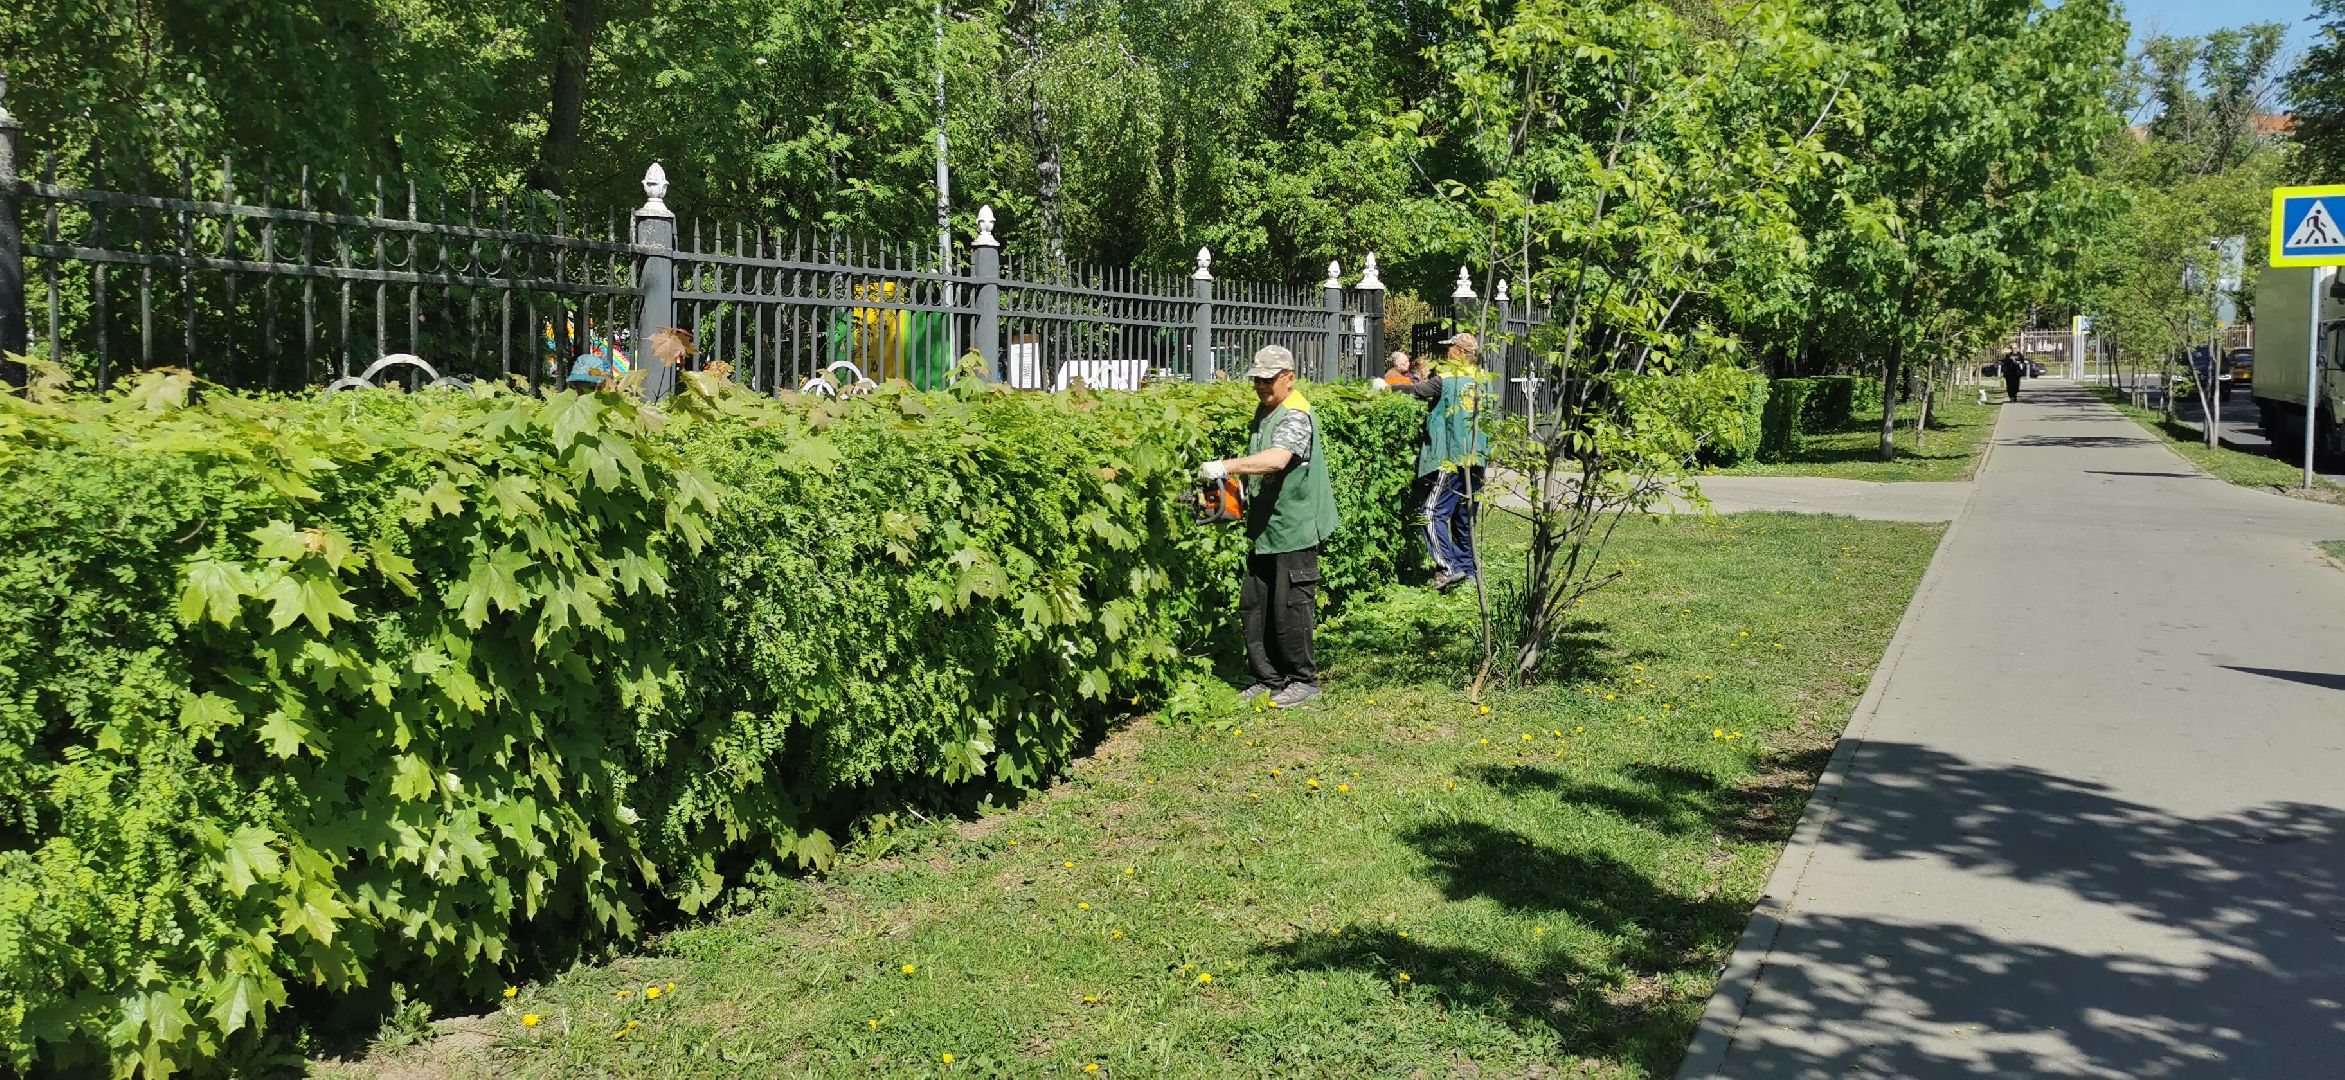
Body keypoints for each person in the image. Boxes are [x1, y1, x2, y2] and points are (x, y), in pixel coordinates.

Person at [1198, 345, 1340, 708]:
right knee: (1255, 604)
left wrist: (1226, 466)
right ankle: (1269, 678)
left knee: (1291, 605)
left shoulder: (1296, 414)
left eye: (1268, 379)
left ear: (1289, 378)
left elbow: (1277, 460)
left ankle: (1303, 680)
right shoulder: (1266, 410)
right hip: (1266, 526)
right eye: (1257, 379)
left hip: (1295, 526)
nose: (1261, 385)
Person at [1380, 332, 1493, 591]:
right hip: (1477, 455)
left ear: (1459, 352)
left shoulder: (1448, 379)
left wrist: (1387, 387)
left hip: (1452, 457)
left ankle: (1448, 568)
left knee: (1430, 513)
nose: (1446, 354)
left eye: (1450, 349)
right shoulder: (1484, 380)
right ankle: (1468, 572)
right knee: (1464, 517)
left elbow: (1417, 391)